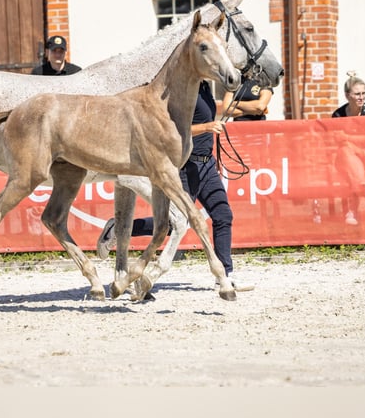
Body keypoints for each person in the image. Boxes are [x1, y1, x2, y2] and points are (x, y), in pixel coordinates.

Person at [96, 80, 254, 292]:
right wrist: (207, 127)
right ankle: (119, 227)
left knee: (223, 215)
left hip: (207, 164)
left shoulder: (206, 87)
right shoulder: (182, 90)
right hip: (186, 165)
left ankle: (226, 274)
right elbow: (171, 130)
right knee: (173, 222)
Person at [331, 71, 365, 225]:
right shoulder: (338, 114)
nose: (362, 97)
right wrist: (356, 144)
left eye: (364, 93)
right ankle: (357, 205)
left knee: (347, 153)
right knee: (346, 154)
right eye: (357, 94)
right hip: (345, 160)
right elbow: (338, 141)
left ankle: (351, 212)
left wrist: (350, 141)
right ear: (347, 95)